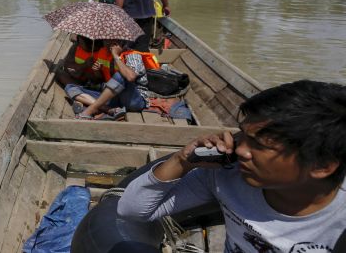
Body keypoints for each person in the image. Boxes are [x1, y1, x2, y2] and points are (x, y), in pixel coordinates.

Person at [118, 80, 346, 253]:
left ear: (322, 166)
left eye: (259, 145)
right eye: (243, 136)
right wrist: (181, 161)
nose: (240, 151)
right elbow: (132, 210)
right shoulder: (227, 176)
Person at [67, 39, 160, 120]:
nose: (108, 44)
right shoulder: (103, 52)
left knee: (121, 75)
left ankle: (89, 111)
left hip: (134, 100)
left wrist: (115, 55)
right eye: (106, 40)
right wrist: (97, 71)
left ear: (120, 43)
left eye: (112, 41)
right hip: (113, 98)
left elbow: (130, 77)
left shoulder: (132, 55)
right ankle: (108, 109)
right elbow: (101, 80)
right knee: (70, 87)